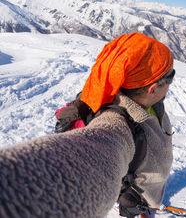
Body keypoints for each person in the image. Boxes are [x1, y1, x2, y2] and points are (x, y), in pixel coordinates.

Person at [0, 32, 175, 218]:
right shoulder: (117, 121)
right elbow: (93, 152)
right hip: (134, 198)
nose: (171, 83)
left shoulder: (146, 99)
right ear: (152, 89)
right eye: (170, 77)